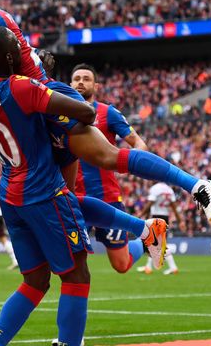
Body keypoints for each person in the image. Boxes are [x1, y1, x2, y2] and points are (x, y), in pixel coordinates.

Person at [0, 0, 211, 224]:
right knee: (65, 199)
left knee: (108, 157)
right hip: (32, 111)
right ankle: (145, 231)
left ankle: (198, 186)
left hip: (48, 101)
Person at [0, 25, 167, 346]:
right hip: (47, 191)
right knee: (75, 273)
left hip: (29, 192)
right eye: (76, 80)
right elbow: (79, 111)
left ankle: (148, 232)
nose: (23, 52)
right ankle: (147, 231)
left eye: (86, 80)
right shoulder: (28, 91)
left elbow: (131, 140)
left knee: (58, 275)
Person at [70, 63, 151, 274]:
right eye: (77, 78)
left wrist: (127, 164)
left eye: (86, 79)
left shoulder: (108, 112)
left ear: (95, 86)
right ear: (70, 83)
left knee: (121, 265)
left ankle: (146, 239)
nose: (80, 82)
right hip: (73, 199)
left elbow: (139, 144)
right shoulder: (60, 113)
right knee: (69, 260)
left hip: (107, 198)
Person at [137, 182, 187, 275]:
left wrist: (141, 215)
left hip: (156, 216)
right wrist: (180, 221)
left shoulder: (155, 188)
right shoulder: (169, 189)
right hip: (165, 217)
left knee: (156, 243)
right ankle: (149, 267)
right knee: (154, 243)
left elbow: (150, 204)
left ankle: (172, 267)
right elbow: (174, 207)